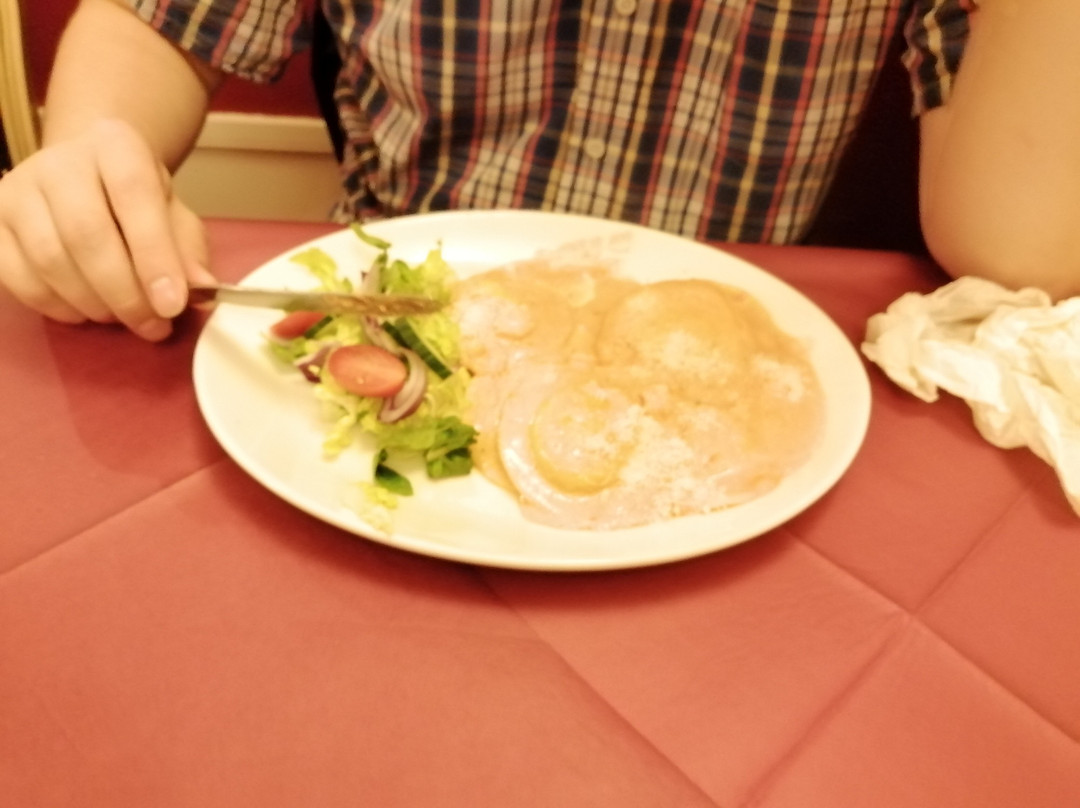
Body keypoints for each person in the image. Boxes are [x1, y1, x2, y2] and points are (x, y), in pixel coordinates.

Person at [0, 0, 1077, 342]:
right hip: (396, 331)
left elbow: (1023, 244)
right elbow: (160, 21)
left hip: (716, 363)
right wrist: (96, 154)